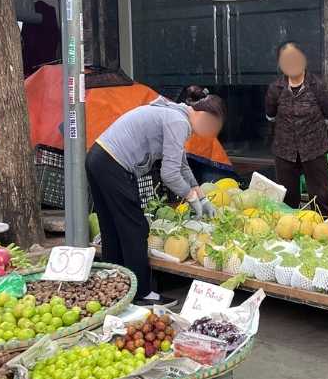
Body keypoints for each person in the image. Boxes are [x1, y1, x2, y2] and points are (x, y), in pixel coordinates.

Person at [87, 94, 225, 302]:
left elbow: (181, 165)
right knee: (136, 228)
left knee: (112, 227)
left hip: (97, 158)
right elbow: (169, 174)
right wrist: (190, 197)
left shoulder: (175, 114)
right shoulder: (178, 122)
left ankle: (114, 286)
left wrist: (202, 197)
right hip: (113, 164)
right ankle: (142, 294)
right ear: (204, 115)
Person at [265, 41, 328, 216]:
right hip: (284, 151)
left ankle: (323, 225)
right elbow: (270, 116)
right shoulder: (275, 89)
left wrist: (311, 132)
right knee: (287, 200)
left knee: (321, 198)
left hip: (314, 150)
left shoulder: (319, 86)